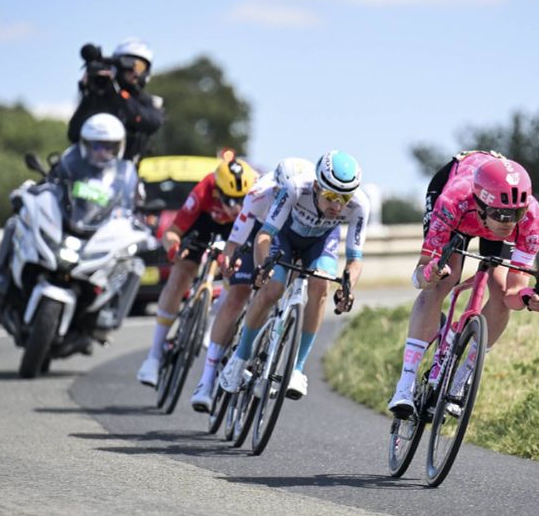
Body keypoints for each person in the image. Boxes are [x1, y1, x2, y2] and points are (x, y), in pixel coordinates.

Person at [387, 150, 539, 419]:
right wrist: (429, 274)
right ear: (482, 206)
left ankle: (463, 378)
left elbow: (513, 293)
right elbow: (421, 272)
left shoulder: (532, 220)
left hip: (484, 211)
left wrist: (527, 297)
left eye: (515, 214)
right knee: (442, 281)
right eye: (500, 214)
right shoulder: (453, 200)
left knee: (499, 291)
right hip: (459, 209)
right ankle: (405, 384)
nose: (508, 223)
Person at [217, 151, 369, 400]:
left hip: (320, 242)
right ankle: (240, 357)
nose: (337, 206)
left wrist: (348, 287)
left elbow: (355, 259)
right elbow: (265, 234)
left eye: (345, 198)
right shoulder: (296, 188)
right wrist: (262, 268)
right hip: (284, 236)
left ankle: (297, 369)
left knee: (321, 287)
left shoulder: (360, 205)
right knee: (273, 289)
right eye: (331, 196)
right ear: (317, 186)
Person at [189, 157, 315, 411]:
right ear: (275, 187)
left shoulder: (309, 195)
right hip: (259, 234)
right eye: (283, 193)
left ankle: (272, 346)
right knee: (238, 294)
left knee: (293, 286)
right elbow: (237, 238)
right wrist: (231, 259)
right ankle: (207, 380)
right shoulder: (259, 194)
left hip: (293, 236)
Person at [0, 113, 137, 321]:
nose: (102, 152)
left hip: (94, 235)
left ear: (119, 147)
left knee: (131, 261)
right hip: (66, 226)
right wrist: (31, 192)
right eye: (96, 146)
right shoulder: (71, 163)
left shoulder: (123, 176)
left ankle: (106, 314)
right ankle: (2, 285)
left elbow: (130, 204)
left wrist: (135, 218)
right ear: (85, 145)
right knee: (15, 223)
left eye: (109, 147)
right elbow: (52, 183)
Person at [136, 153, 258, 386]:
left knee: (237, 281)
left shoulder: (255, 196)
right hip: (203, 224)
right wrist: (174, 249)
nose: (236, 207)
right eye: (230, 200)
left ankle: (215, 319)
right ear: (217, 192)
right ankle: (154, 355)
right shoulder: (205, 189)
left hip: (237, 230)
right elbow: (172, 233)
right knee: (181, 275)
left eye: (242, 200)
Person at [68, 38, 164, 163]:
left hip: (127, 171)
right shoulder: (100, 95)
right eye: (129, 64)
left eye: (139, 66)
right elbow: (74, 134)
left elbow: (152, 123)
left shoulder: (142, 100)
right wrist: (89, 95)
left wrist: (120, 96)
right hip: (91, 168)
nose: (134, 71)